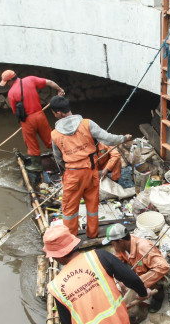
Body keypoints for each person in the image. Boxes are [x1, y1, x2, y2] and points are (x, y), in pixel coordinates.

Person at [49, 96, 132, 238]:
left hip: (73, 174)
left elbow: (58, 159)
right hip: (91, 171)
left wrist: (70, 168)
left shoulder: (55, 134)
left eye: (53, 113)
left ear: (58, 113)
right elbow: (108, 138)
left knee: (69, 210)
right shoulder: (87, 123)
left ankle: (71, 238)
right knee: (92, 206)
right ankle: (92, 234)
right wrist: (123, 138)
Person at [0, 70, 64, 171]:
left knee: (31, 142)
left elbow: (14, 111)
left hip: (27, 120)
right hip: (40, 115)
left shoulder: (11, 93)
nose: (7, 85)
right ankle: (65, 156)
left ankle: (36, 165)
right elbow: (49, 82)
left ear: (11, 80)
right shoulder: (30, 79)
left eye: (7, 82)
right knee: (50, 138)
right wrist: (60, 90)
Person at [104, 224, 170, 317]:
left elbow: (164, 267)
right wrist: (120, 282)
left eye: (112, 243)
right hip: (140, 271)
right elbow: (115, 262)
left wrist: (139, 284)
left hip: (158, 275)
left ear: (120, 241)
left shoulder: (143, 247)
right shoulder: (122, 248)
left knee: (157, 283)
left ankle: (158, 296)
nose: (112, 245)